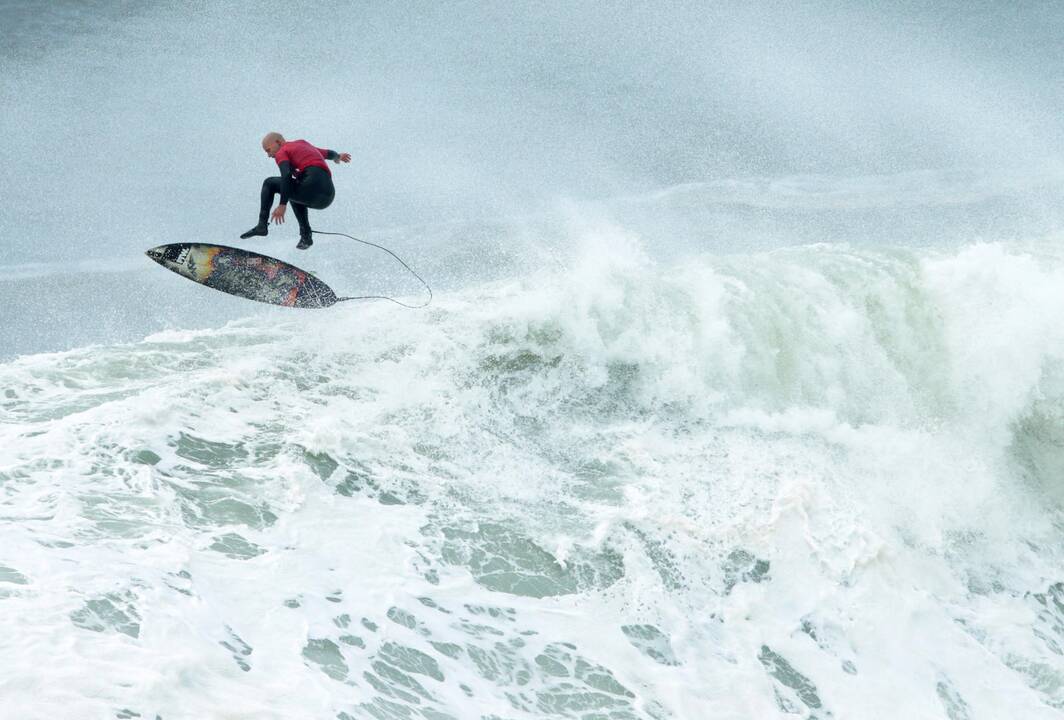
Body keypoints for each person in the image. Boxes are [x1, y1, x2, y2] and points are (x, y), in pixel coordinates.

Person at [240, 132, 351, 249]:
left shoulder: (282, 151)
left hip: (312, 186)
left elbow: (286, 175)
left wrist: (282, 205)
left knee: (269, 183)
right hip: (328, 195)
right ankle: (306, 237)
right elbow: (328, 153)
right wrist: (338, 157)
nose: (268, 155)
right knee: (292, 192)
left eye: (268, 150)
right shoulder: (303, 144)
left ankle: (262, 225)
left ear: (278, 142)